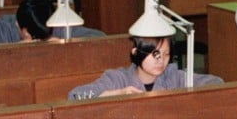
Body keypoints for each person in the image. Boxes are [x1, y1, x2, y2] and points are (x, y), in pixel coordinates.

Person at [67, 35, 223, 99]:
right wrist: (118, 93)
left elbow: (216, 83)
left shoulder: (173, 75)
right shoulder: (117, 78)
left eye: (166, 54)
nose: (161, 60)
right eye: (155, 54)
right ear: (136, 53)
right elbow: (74, 96)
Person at [0, 0, 105, 49]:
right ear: (20, 27)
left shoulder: (56, 24)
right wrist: (14, 47)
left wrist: (63, 42)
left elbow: (100, 37)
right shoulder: (3, 27)